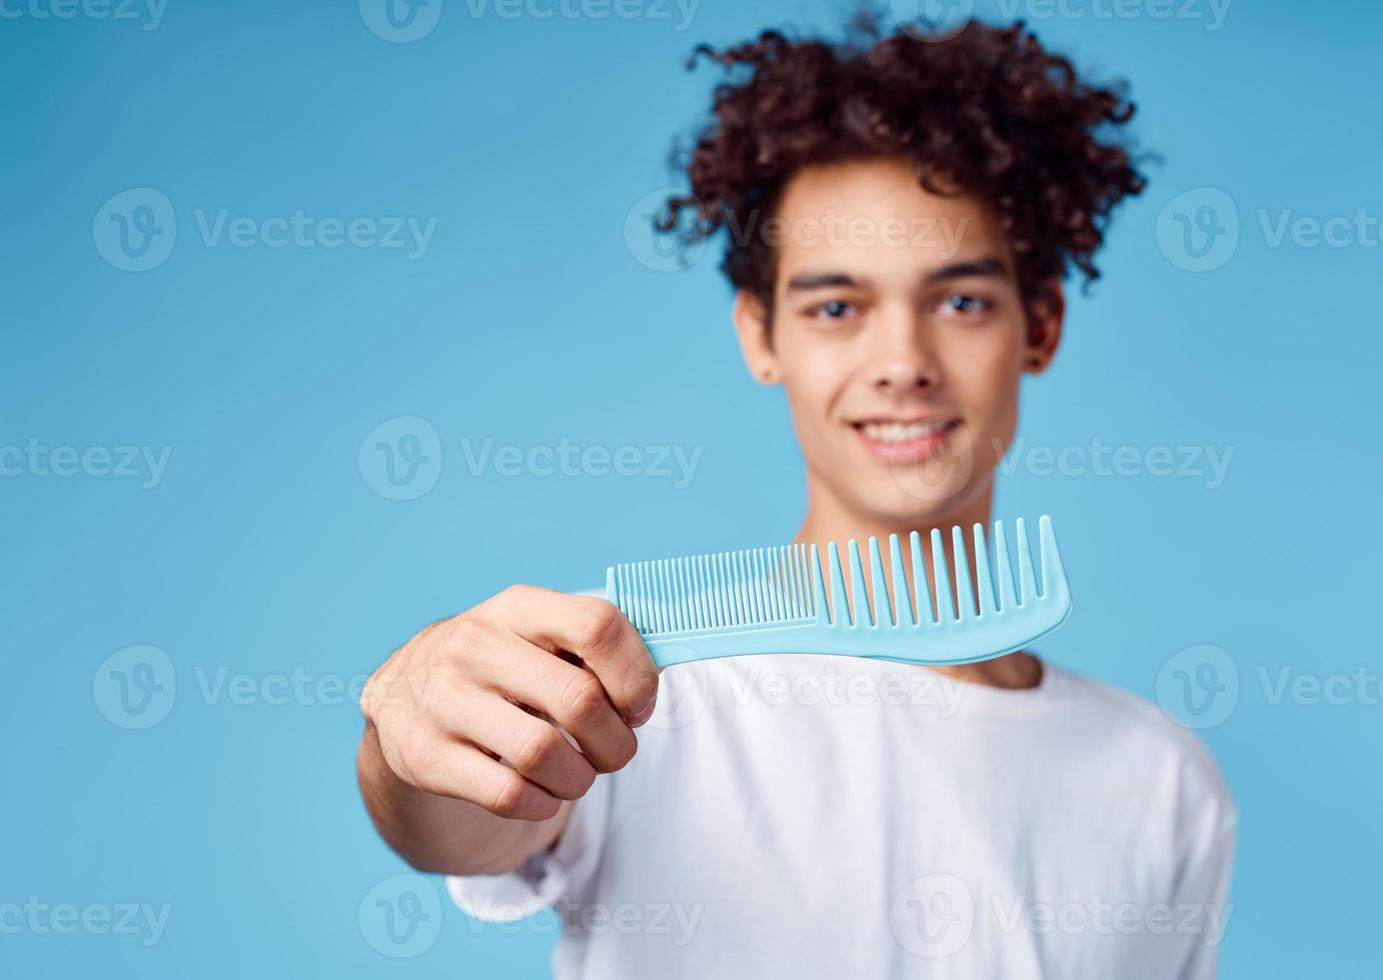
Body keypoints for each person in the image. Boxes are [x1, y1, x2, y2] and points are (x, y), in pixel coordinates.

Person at [356, 11, 1237, 977]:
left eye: (961, 300)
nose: (902, 363)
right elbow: (458, 826)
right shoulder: (637, 701)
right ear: (761, 335)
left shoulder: (1163, 781)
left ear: (1042, 325)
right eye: (835, 307)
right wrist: (412, 740)